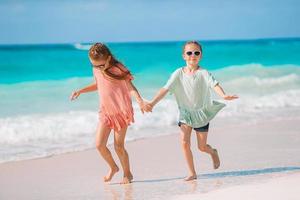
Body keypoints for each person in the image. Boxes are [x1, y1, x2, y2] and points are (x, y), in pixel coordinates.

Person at [145, 41, 238, 181]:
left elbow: (214, 84)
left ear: (200, 56)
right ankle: (192, 173)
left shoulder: (204, 73)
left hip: (201, 115)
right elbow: (165, 89)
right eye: (189, 53)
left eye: (196, 53)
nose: (192, 55)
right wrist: (152, 103)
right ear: (184, 56)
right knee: (184, 142)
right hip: (185, 114)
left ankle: (213, 152)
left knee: (202, 147)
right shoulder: (178, 73)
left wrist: (223, 95)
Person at [70, 43, 146, 184]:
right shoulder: (97, 69)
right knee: (99, 145)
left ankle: (127, 173)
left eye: (100, 65)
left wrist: (140, 100)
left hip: (121, 112)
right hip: (106, 112)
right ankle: (113, 167)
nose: (98, 68)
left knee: (118, 146)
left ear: (109, 58)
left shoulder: (119, 69)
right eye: (94, 65)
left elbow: (131, 87)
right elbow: (98, 85)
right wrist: (80, 91)